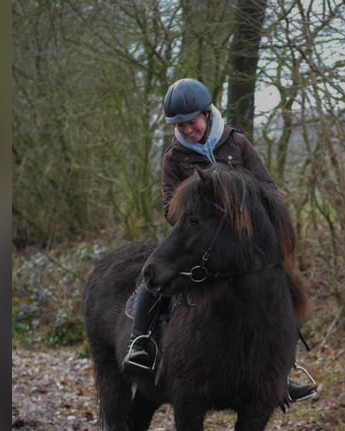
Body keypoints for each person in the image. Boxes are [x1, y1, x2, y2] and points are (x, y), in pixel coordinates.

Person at [122, 78, 316, 403]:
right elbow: (169, 205)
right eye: (180, 125)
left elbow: (267, 188)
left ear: (207, 113)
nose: (187, 129)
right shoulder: (174, 157)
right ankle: (140, 342)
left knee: (281, 286)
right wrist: (197, 211)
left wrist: (238, 207)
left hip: (240, 244)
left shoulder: (237, 143)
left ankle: (286, 370)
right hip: (195, 235)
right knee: (155, 273)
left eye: (191, 121)